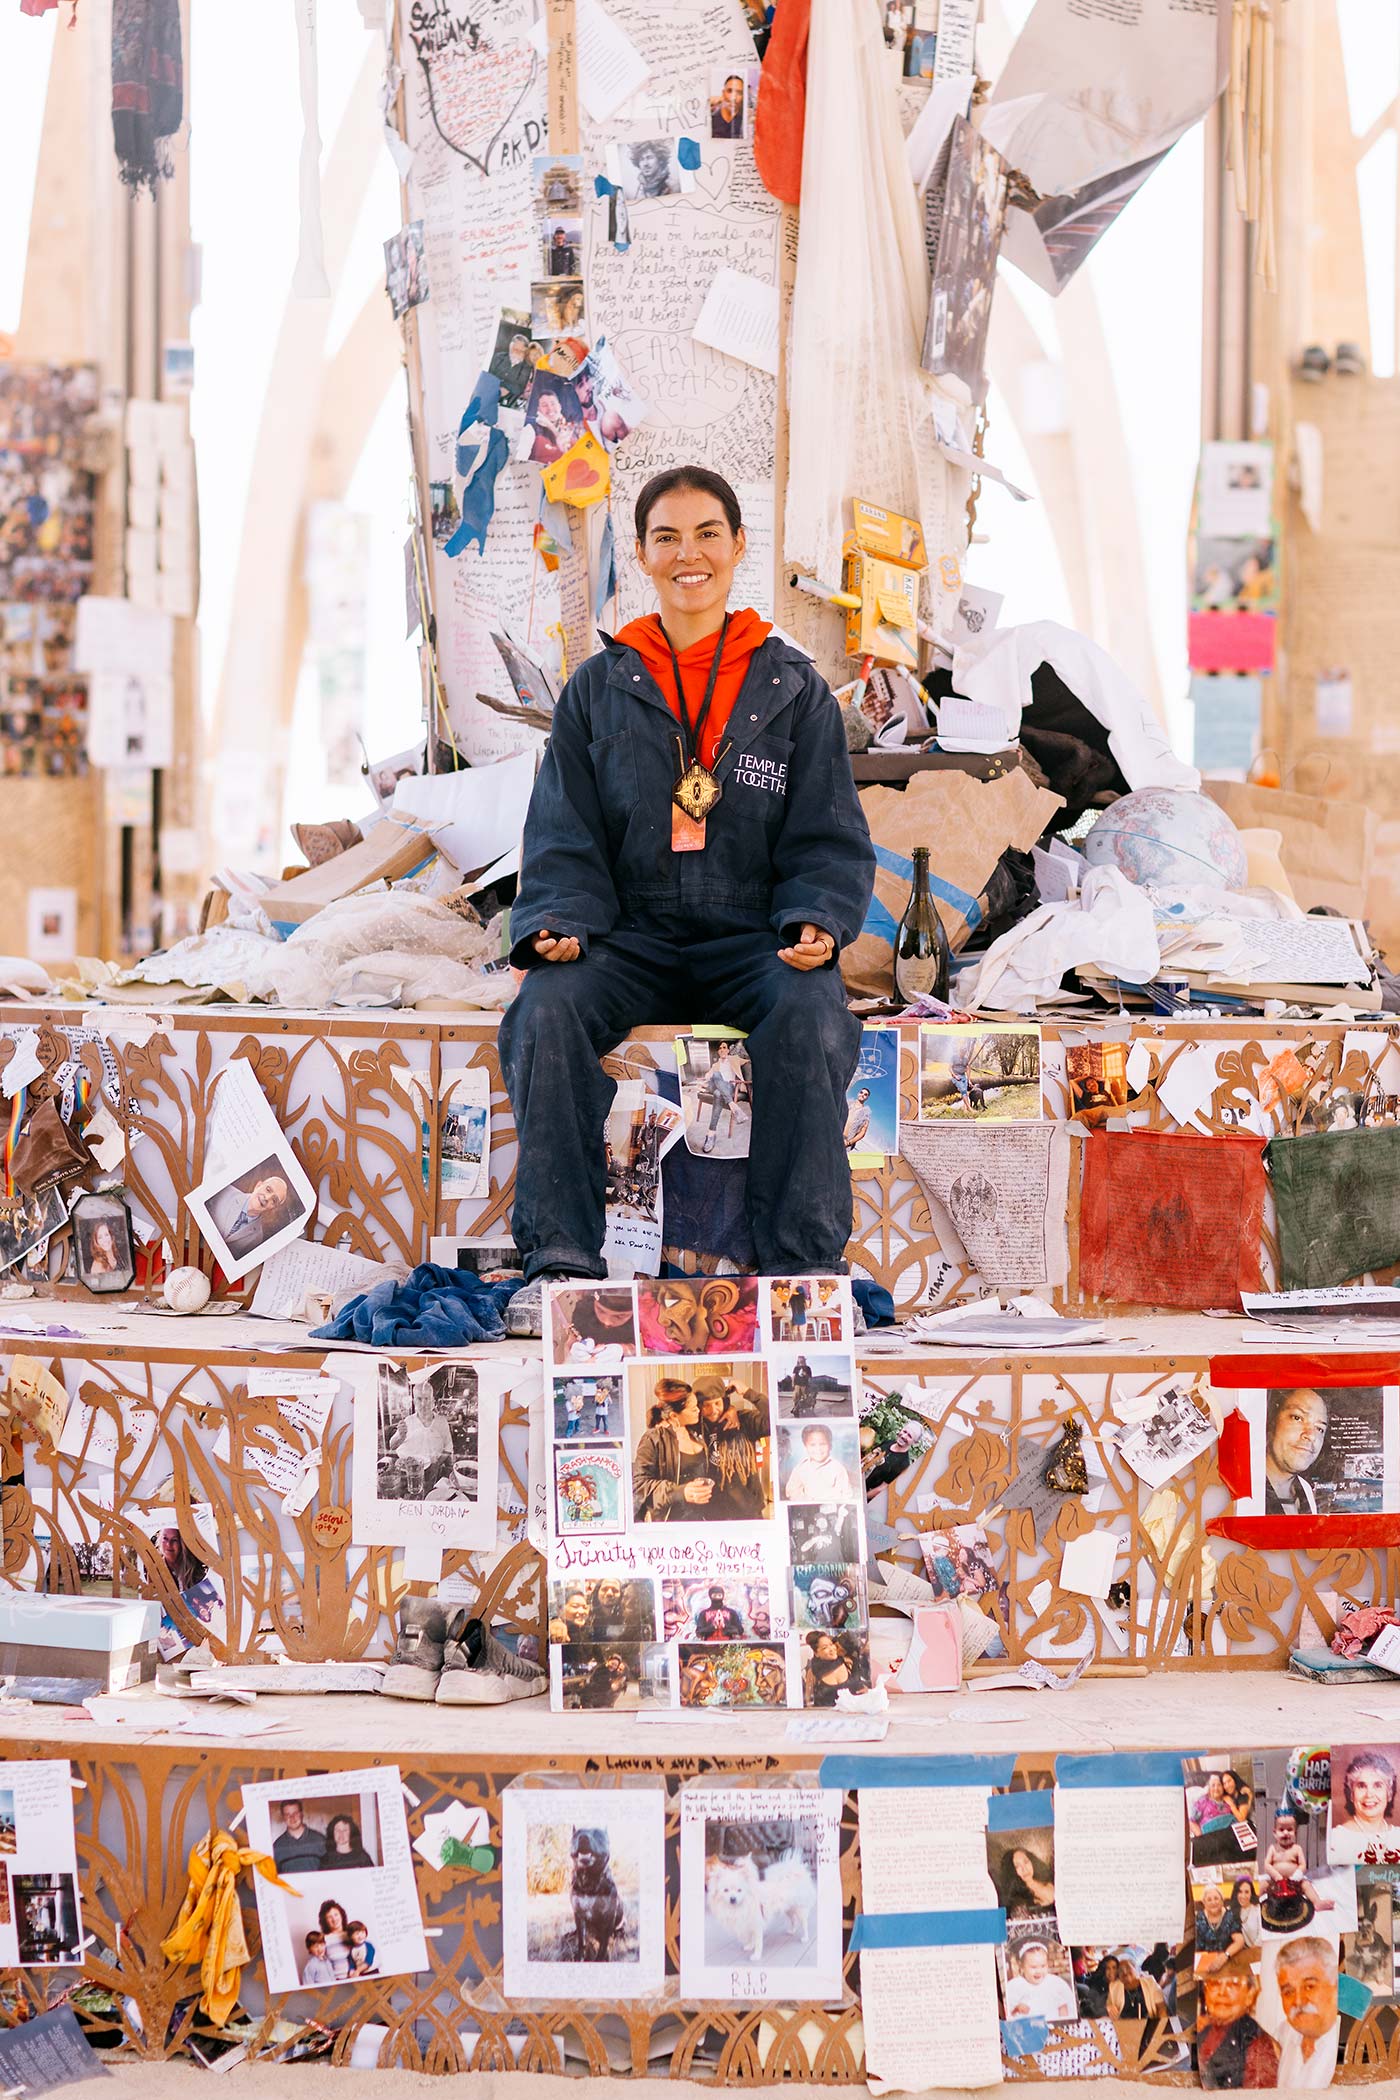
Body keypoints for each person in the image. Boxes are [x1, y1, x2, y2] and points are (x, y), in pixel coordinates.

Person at [498, 468, 873, 1294]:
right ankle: (561, 1256)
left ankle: (802, 1261)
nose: (688, 553)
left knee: (811, 1015)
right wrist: (559, 920)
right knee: (545, 1007)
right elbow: (562, 832)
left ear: (739, 548)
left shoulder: (793, 691)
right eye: (666, 537)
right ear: (641, 554)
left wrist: (815, 918)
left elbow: (827, 833)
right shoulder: (599, 688)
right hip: (630, 934)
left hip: (751, 937)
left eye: (708, 533)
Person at [633, 1381, 714, 1519]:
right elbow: (639, 1487)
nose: (699, 1411)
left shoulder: (695, 1431)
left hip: (701, 1520)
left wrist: (730, 1410)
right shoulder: (653, 1439)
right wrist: (680, 1492)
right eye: (693, 1409)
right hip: (671, 1522)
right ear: (674, 1416)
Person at [1196, 1956, 1279, 2089]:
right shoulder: (1206, 2031)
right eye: (1215, 1984)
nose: (1222, 1993)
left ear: (1250, 1993)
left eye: (1233, 1984)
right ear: (1205, 1991)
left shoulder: (1258, 2044)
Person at [693, 1372, 768, 1518]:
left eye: (717, 1403)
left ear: (724, 1401)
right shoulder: (694, 1428)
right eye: (706, 1405)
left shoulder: (744, 1421)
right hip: (712, 1514)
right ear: (698, 1406)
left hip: (748, 1511)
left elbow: (774, 1420)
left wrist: (749, 1393)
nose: (713, 1410)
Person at [1271, 1936, 1340, 2088]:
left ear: (1335, 1986)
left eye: (1309, 1986)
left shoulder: (1345, 2043)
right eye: (1288, 1992)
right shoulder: (1283, 2033)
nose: (1299, 2001)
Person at [1263, 1388, 1328, 1514]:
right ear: (1271, 1422)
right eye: (1297, 1418)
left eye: (1319, 1429)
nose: (1311, 1435)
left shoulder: (1305, 1491)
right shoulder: (1243, 1490)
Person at [1329, 1749, 1400, 1863]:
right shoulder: (1336, 1839)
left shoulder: (1398, 1835)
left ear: (1389, 1793)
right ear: (1351, 1794)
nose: (1369, 1794)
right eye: (1361, 1786)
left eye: (1377, 1785)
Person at [208, 1170, 294, 1260]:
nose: (267, 1198)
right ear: (258, 1185)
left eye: (274, 1200)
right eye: (268, 1189)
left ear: (273, 1208)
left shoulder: (257, 1238)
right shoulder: (224, 1192)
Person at [1004, 1941, 1076, 2021]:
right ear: (1022, 1967)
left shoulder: (1055, 1983)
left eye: (1043, 1966)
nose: (1039, 1971)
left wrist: (1063, 2021)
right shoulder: (1015, 1986)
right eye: (1033, 1967)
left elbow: (1063, 2006)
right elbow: (1008, 2013)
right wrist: (1017, 2009)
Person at [784, 1424, 854, 1503]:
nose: (818, 1449)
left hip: (832, 1509)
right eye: (812, 1445)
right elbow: (792, 1491)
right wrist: (805, 1501)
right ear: (805, 1446)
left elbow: (846, 1494)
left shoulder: (837, 1468)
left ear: (830, 1445)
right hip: (808, 1509)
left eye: (822, 1444)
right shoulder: (801, 1468)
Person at [1195, 1883, 1245, 1973]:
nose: (1213, 1902)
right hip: (1206, 1963)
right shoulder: (1199, 1917)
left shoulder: (1230, 1915)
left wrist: (1225, 1956)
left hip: (1228, 1959)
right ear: (1204, 1903)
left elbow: (1240, 1941)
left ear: (1222, 1901)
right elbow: (1196, 1945)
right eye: (1209, 1900)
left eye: (1216, 1898)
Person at [999, 1846, 1055, 1919]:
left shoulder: (1051, 1879)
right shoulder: (1019, 1901)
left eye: (1026, 1862)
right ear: (1012, 1872)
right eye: (1017, 1866)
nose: (1024, 1869)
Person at [273, 1800, 326, 1875]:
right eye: (287, 1815)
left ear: (301, 1814)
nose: (292, 1818)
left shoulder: (320, 1840)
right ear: (283, 1817)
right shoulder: (277, 1846)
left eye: (295, 1813)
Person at [489, 327, 534, 407]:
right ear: (510, 347)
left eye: (521, 351)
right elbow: (488, 376)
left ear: (525, 352)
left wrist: (501, 385)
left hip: (508, 402)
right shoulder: (498, 357)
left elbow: (519, 388)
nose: (517, 353)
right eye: (515, 349)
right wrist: (505, 386)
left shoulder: (527, 367)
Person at [319, 1900, 352, 1979]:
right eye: (329, 1917)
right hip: (336, 1981)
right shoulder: (323, 1939)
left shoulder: (352, 1934)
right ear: (325, 1921)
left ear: (341, 1915)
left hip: (356, 1978)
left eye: (336, 1914)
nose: (334, 1919)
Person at [710, 72, 746, 137]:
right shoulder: (711, 118)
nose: (733, 98)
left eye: (739, 93)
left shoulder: (744, 123)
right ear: (723, 93)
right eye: (729, 91)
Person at [1233, 1878, 1262, 1948]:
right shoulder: (1232, 1911)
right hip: (1241, 1952)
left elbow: (1261, 1936)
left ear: (1251, 1893)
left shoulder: (1258, 1909)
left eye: (1246, 1892)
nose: (1243, 1896)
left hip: (1258, 1950)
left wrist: (1251, 1951)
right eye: (1240, 1892)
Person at [843, 1086, 872, 1151]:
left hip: (847, 1142)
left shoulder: (866, 1113)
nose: (862, 1095)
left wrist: (849, 1142)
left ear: (867, 1098)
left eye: (865, 1094)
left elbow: (862, 1132)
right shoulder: (847, 1103)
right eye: (861, 1092)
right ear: (858, 1093)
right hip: (836, 1135)